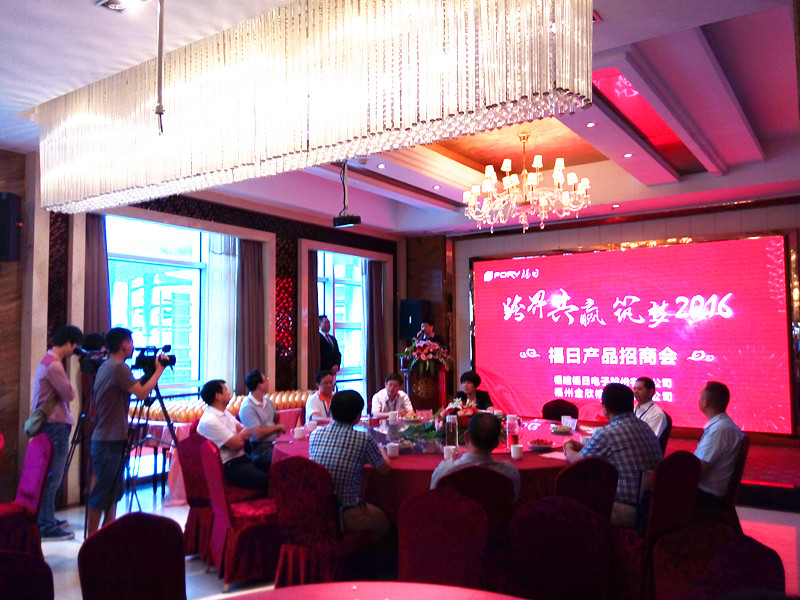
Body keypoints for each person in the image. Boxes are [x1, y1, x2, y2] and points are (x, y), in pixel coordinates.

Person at [88, 327, 167, 534]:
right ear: (124, 344)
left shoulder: (109, 366)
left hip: (109, 438)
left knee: (112, 493)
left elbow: (134, 387)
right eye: (131, 342)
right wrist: (158, 371)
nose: (132, 346)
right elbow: (141, 393)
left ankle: (107, 535)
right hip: (108, 441)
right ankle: (92, 540)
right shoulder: (118, 368)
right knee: (103, 494)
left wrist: (149, 373)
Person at [564, 382, 662, 527]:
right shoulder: (644, 426)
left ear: (605, 408)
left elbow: (579, 463)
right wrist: (585, 446)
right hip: (652, 506)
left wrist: (568, 448)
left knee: (574, 502)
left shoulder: (606, 433)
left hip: (628, 510)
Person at [308, 389, 391, 541]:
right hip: (344, 513)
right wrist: (381, 449)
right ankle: (357, 552)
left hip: (315, 508)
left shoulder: (315, 434)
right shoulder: (363, 439)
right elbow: (384, 469)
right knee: (385, 522)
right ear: (358, 416)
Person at [32, 324, 83, 541]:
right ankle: (46, 523)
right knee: (54, 476)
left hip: (50, 424)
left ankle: (47, 518)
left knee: (51, 474)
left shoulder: (46, 360)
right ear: (69, 343)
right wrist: (71, 389)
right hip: (56, 424)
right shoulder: (54, 365)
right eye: (75, 345)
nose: (75, 350)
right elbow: (69, 394)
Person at [197, 379, 269, 491]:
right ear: (218, 396)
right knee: (267, 480)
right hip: (228, 466)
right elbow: (238, 444)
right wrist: (235, 439)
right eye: (225, 390)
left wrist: (233, 438)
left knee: (272, 465)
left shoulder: (224, 412)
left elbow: (246, 430)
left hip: (242, 458)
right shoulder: (210, 420)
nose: (229, 393)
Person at [430, 412, 520, 500]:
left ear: (466, 437)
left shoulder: (445, 471)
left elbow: (433, 498)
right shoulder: (509, 473)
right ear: (496, 443)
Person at [694, 381, 745, 509]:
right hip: (707, 493)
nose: (697, 399)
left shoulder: (719, 430)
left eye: (699, 395)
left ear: (705, 402)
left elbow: (699, 471)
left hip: (706, 497)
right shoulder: (723, 426)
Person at [238, 369, 285, 472]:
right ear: (259, 385)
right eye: (266, 380)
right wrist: (278, 427)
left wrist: (281, 434)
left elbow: (277, 420)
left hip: (276, 442)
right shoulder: (247, 407)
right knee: (285, 462)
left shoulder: (268, 402)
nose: (268, 382)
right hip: (261, 447)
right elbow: (258, 434)